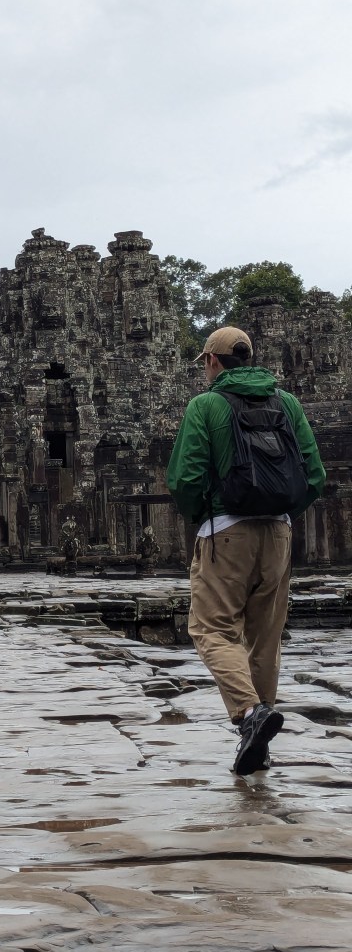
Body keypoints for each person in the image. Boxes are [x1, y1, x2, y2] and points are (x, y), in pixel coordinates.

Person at [167, 325, 325, 775]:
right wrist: (283, 512)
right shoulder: (287, 403)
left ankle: (250, 713)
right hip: (279, 534)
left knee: (212, 629)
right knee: (265, 639)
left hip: (226, 533)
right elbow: (314, 475)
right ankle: (258, 740)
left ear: (212, 361)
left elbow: (185, 478)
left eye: (204, 363)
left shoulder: (206, 405)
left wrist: (204, 516)